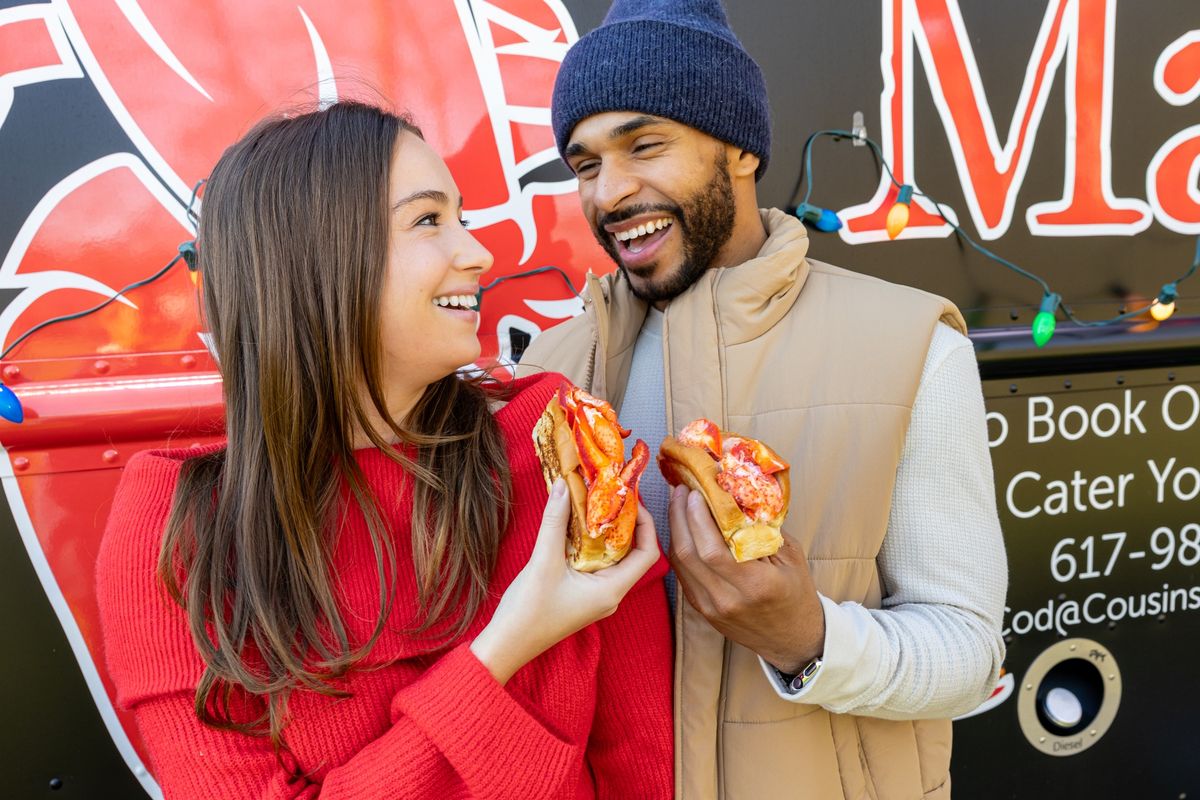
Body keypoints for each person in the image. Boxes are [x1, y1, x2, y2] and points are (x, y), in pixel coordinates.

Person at [95, 101, 673, 799]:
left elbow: (642, 764)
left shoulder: (550, 443)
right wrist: (508, 646)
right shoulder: (180, 525)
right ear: (310, 255)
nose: (479, 253)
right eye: (429, 220)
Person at [515, 1, 1008, 797]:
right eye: (584, 164)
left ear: (741, 148)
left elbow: (970, 656)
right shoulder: (549, 374)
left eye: (645, 145)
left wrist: (806, 637)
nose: (610, 192)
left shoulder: (912, 346)